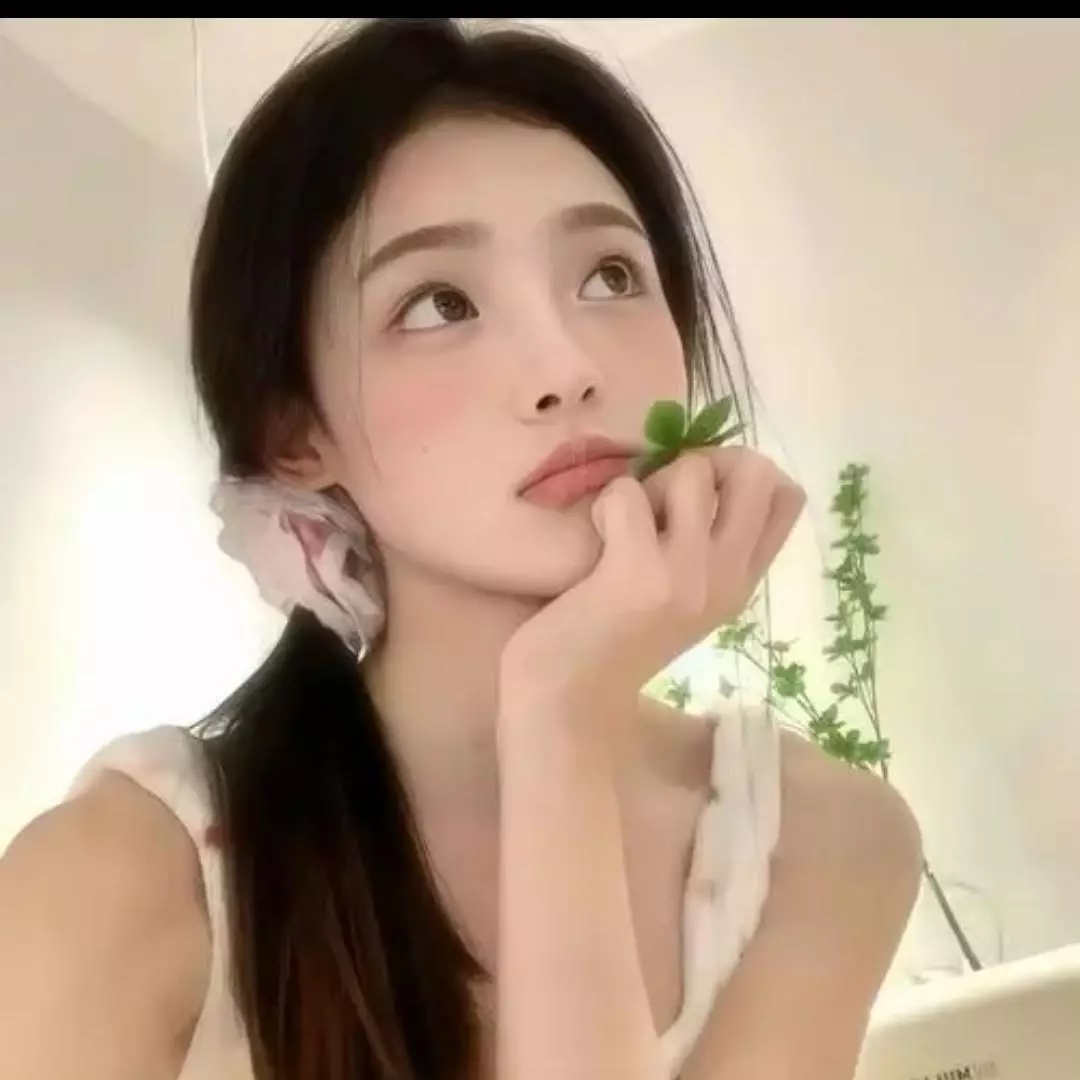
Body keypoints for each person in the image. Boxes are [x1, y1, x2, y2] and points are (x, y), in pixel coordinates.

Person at [0, 17, 922, 1080]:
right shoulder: (116, 884)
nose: (567, 368)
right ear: (296, 434)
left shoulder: (817, 837)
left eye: (610, 276)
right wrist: (560, 720)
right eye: (440, 304)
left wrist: (561, 722)